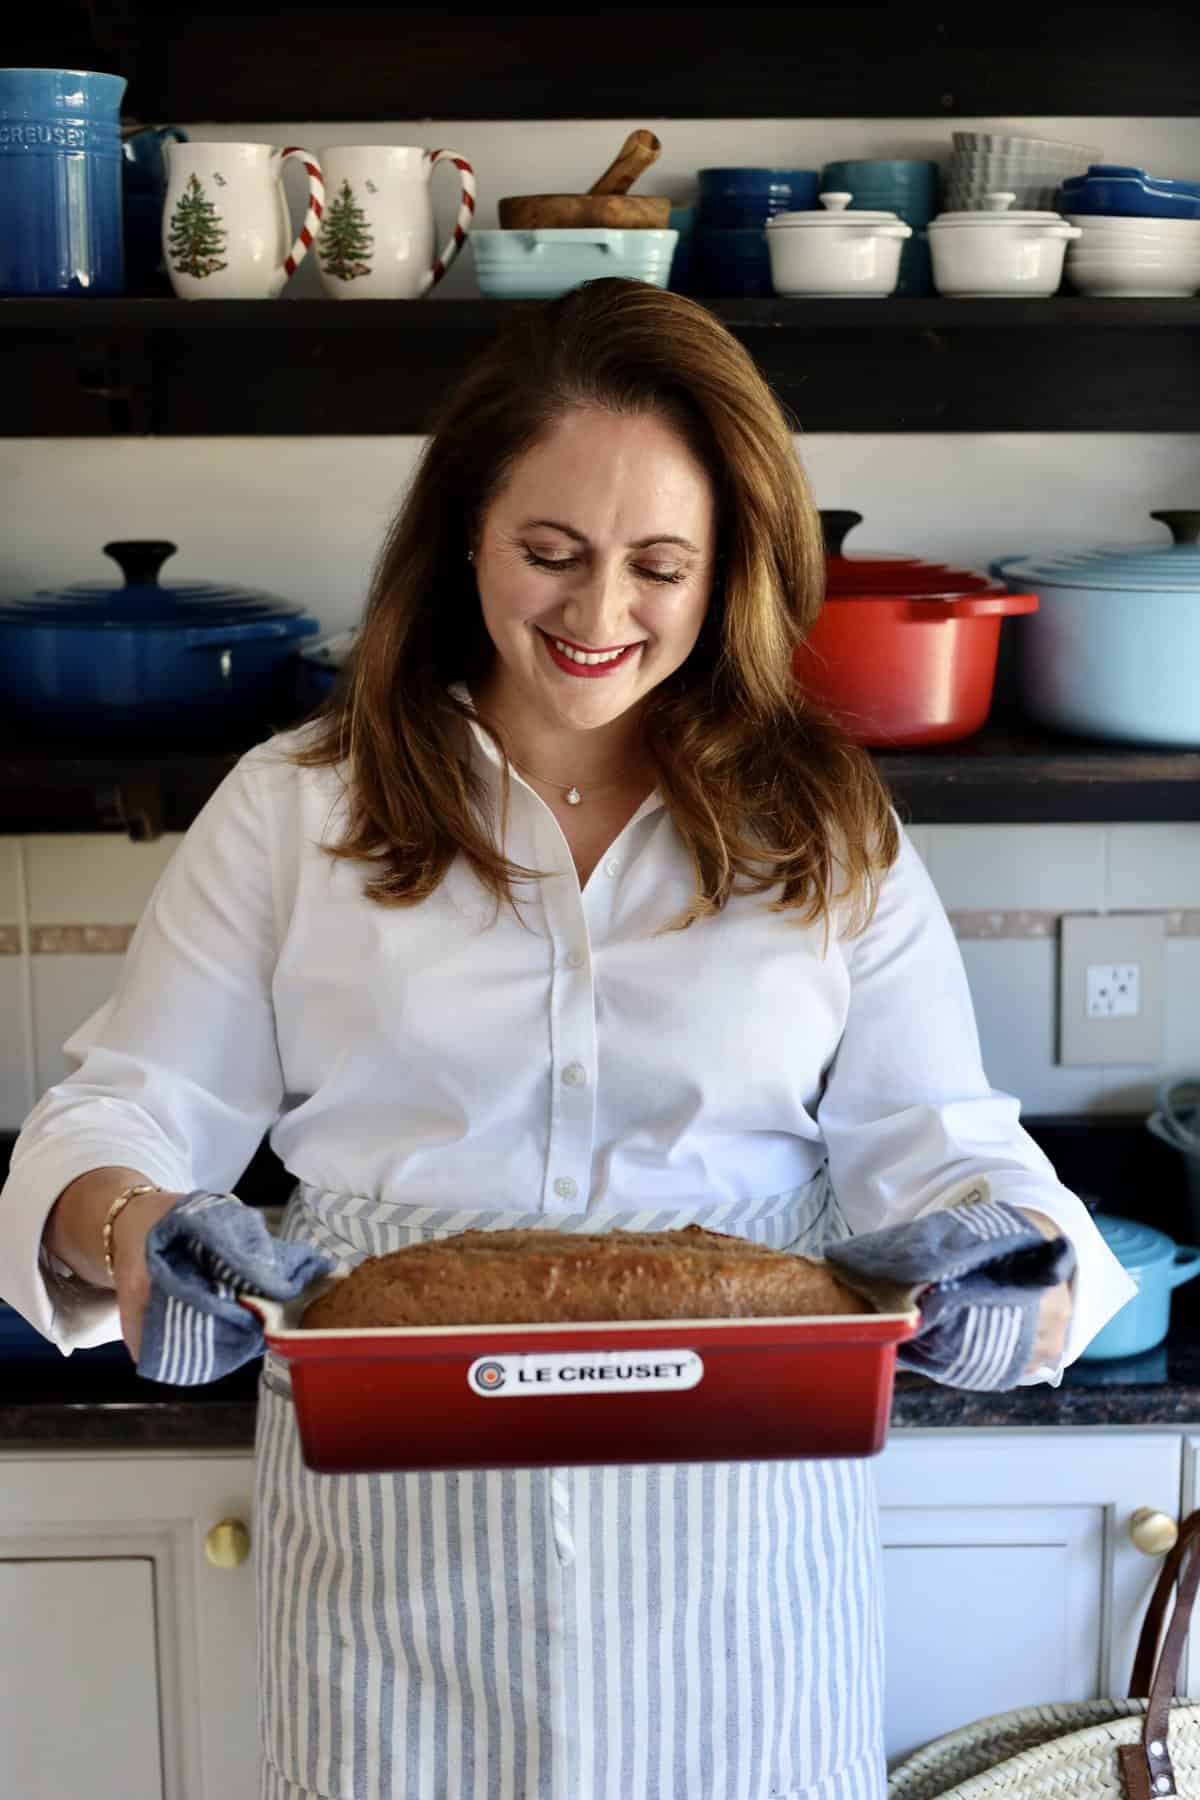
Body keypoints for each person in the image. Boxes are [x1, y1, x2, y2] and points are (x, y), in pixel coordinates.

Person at [0, 277, 1133, 1800]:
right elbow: (130, 1108)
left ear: (728, 569)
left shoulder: (823, 819)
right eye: (551, 552)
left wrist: (1017, 1274)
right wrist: (134, 1225)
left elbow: (942, 1139)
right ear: (464, 531)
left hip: (739, 1566)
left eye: (659, 565)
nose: (600, 616)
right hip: (394, 1563)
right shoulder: (294, 804)